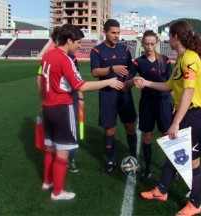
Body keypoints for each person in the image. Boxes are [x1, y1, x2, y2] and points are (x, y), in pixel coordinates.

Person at [38, 23, 124, 201]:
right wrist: (108, 82)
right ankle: (57, 192)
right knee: (62, 152)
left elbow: (40, 80)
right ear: (68, 41)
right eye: (78, 42)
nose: (79, 46)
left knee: (51, 149)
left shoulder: (47, 56)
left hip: (48, 108)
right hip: (62, 108)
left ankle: (47, 182)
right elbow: (81, 86)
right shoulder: (65, 59)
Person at [134, 21, 201, 215]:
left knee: (193, 162)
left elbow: (189, 92)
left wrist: (175, 122)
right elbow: (168, 86)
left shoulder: (190, 58)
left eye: (169, 35)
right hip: (184, 114)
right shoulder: (181, 59)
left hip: (193, 116)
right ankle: (161, 190)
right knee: (173, 153)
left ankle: (195, 203)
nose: (168, 39)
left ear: (176, 37)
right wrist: (146, 82)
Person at [90, 19, 137, 174]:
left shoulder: (125, 49)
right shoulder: (96, 51)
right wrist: (111, 69)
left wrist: (128, 83)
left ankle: (133, 158)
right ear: (105, 32)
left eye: (118, 32)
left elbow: (131, 69)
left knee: (130, 126)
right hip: (107, 95)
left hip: (124, 93)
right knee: (110, 129)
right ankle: (111, 161)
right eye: (113, 33)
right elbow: (95, 72)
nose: (117, 35)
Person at [127, 30, 173, 180]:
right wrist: (135, 80)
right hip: (146, 103)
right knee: (147, 135)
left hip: (164, 103)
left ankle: (172, 169)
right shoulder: (137, 62)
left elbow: (171, 85)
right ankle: (148, 168)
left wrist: (176, 103)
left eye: (152, 44)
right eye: (146, 44)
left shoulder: (165, 60)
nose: (149, 47)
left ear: (157, 44)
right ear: (142, 44)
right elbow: (127, 83)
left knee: (167, 136)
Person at [37, 27, 82, 173]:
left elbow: (76, 79)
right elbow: (40, 79)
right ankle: (58, 188)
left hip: (57, 101)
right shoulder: (62, 58)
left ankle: (50, 179)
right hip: (61, 103)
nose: (55, 44)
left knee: (57, 141)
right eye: (78, 42)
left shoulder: (51, 56)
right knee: (63, 143)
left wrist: (80, 96)